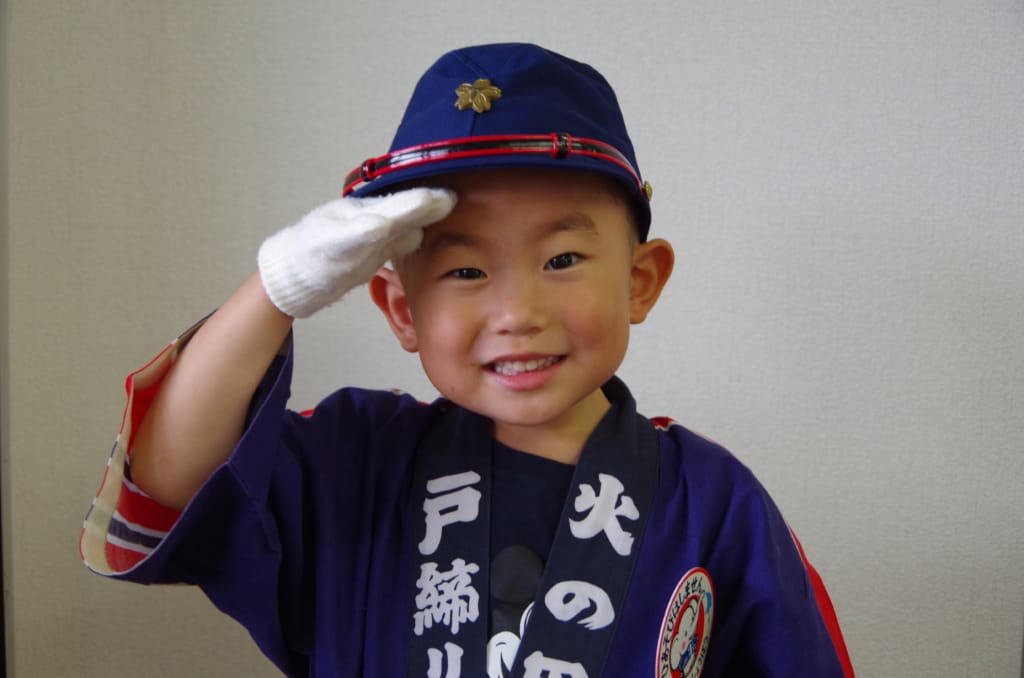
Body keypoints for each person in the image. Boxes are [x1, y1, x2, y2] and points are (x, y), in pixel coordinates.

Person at [80, 43, 855, 677]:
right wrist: (274, 290)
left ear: (640, 281)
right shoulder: (357, 460)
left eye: (562, 259)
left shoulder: (712, 501)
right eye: (465, 270)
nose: (516, 312)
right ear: (401, 310)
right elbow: (166, 484)